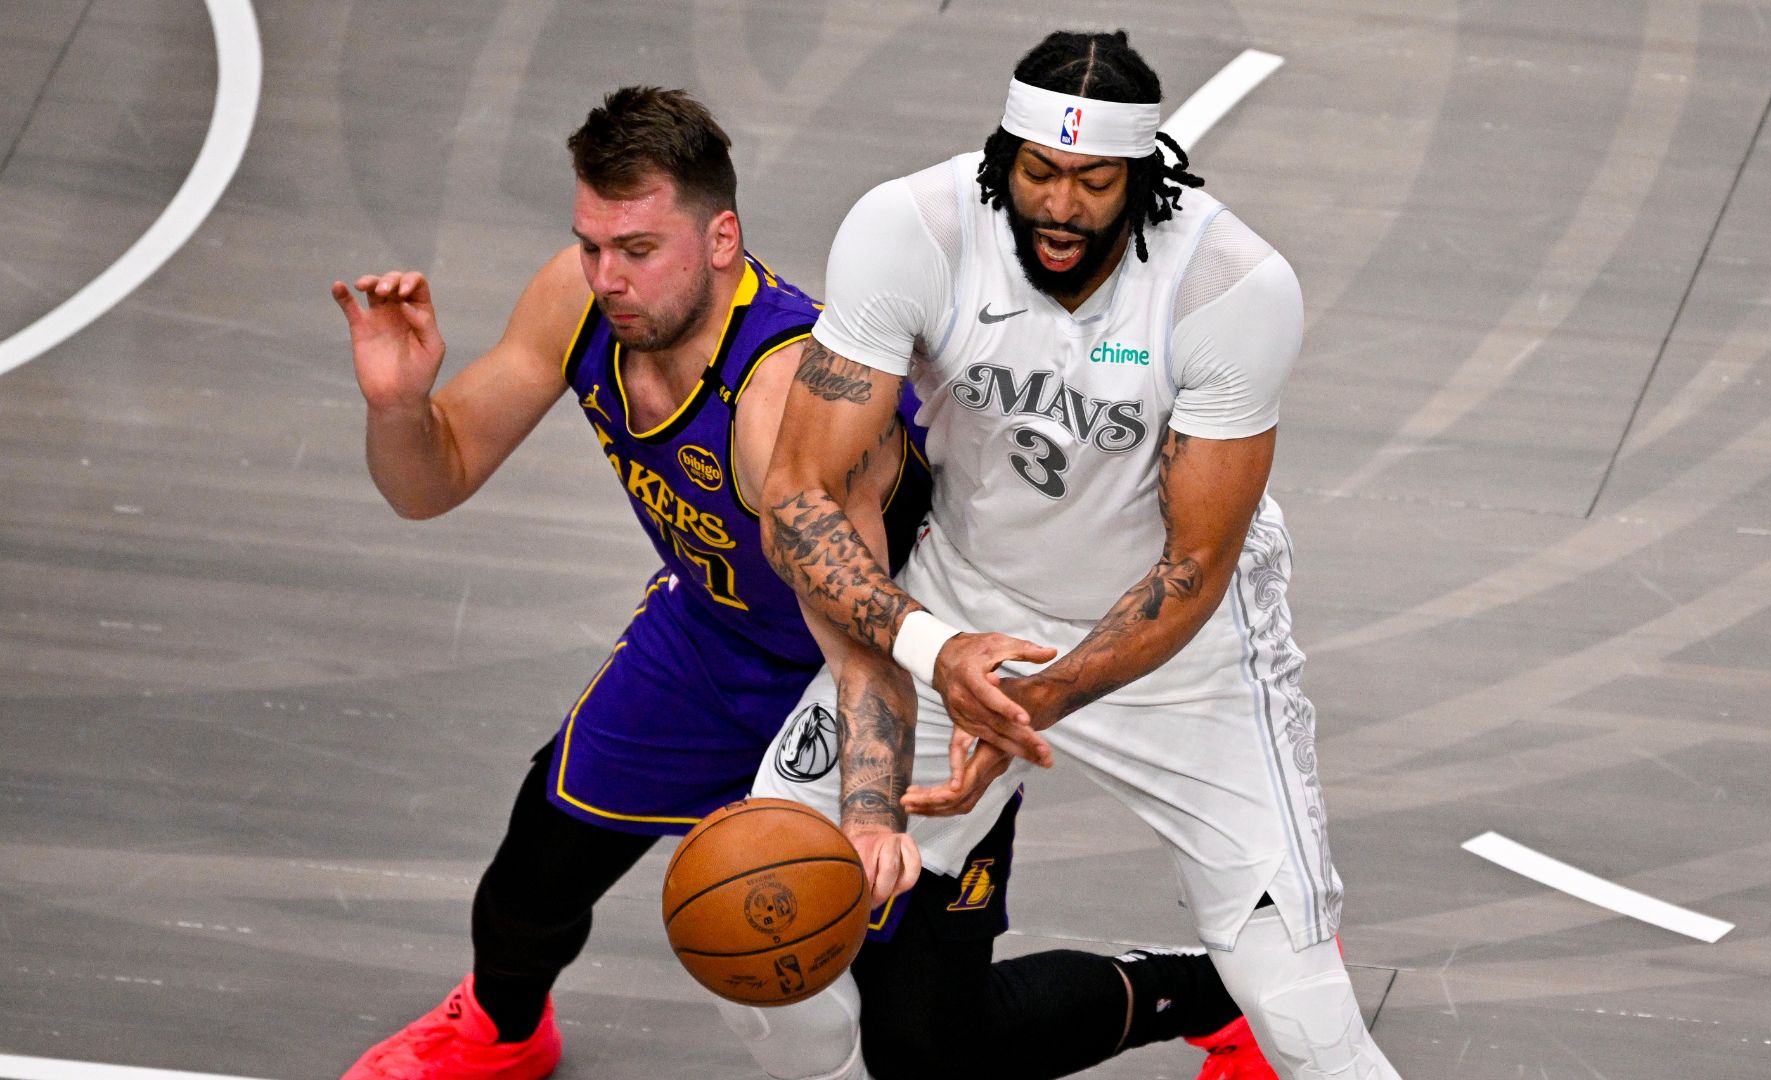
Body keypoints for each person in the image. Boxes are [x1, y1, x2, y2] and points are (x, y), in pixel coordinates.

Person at [329, 86, 1263, 1080]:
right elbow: (433, 484)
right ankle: (501, 1031)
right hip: (714, 638)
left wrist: (868, 813)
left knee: (928, 1048)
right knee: (535, 870)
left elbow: (861, 640)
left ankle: (1219, 995)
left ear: (721, 237)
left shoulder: (786, 397)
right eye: (594, 243)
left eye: (639, 249)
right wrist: (398, 406)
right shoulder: (578, 298)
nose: (609, 277)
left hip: (894, 665)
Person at [752, 29, 1404, 1080]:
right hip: (965, 604)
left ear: (1146, 178)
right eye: (1038, 171)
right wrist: (935, 650)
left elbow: (1193, 568)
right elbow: (800, 496)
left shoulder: (1230, 285)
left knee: (1301, 1009)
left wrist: (1038, 700)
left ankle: (1230, 993)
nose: (1059, 205)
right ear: (1000, 157)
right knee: (763, 922)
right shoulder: (910, 229)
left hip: (1183, 654)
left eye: (1094, 181)